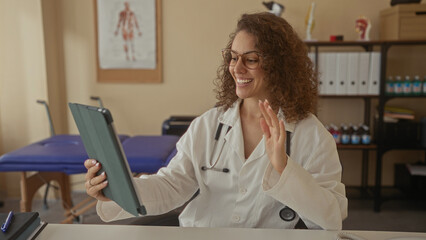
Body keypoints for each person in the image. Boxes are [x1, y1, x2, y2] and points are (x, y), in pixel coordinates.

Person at [85, 12, 348, 230]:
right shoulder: (209, 125)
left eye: (251, 59)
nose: (237, 67)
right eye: (233, 57)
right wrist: (115, 190)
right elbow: (172, 185)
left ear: (279, 66)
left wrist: (284, 169)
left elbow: (331, 219)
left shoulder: (311, 135)